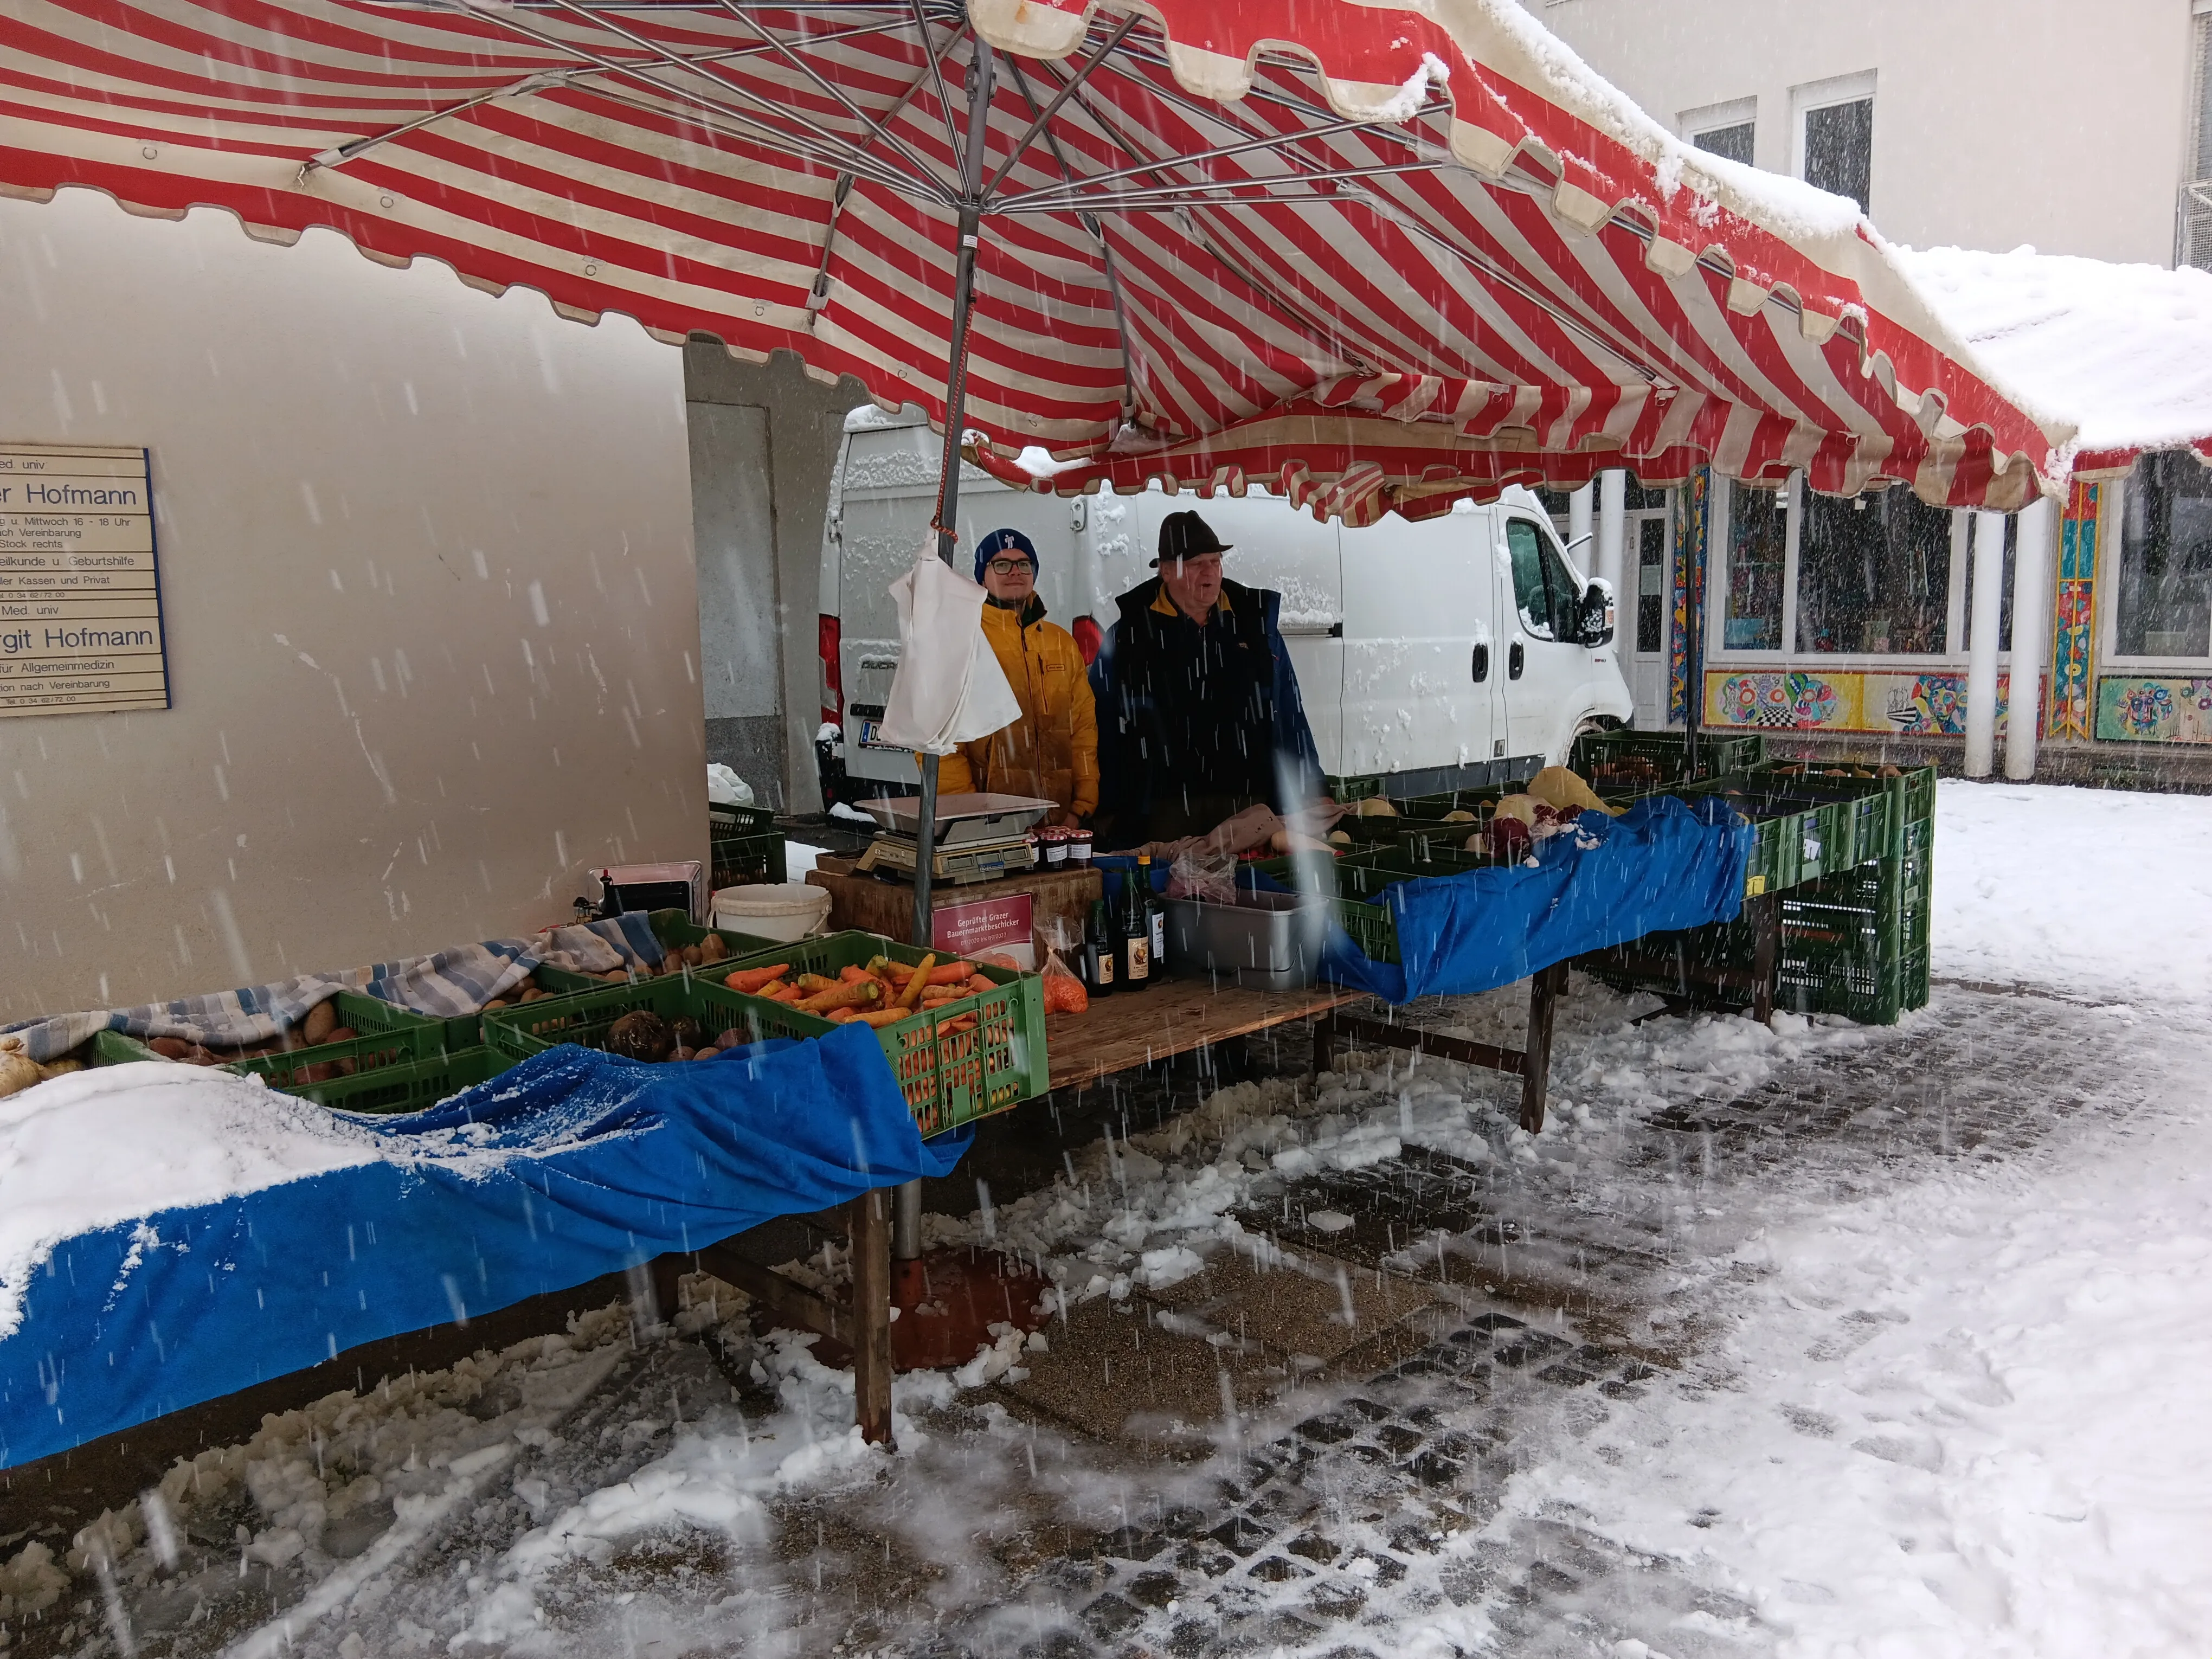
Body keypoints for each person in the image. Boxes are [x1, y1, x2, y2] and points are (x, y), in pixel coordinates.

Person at [1089, 509, 1323, 847]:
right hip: (1163, 810)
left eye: (1215, 561)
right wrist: (1105, 804)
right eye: (1196, 563)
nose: (1210, 572)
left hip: (1248, 801)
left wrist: (1312, 788)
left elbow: (1288, 712)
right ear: (1166, 571)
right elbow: (1102, 722)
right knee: (1177, 880)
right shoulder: (1129, 636)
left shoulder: (1254, 627)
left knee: (1250, 878)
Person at [935, 528, 1098, 828]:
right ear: (982, 577)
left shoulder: (1061, 643)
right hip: (988, 824)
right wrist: (969, 815)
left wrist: (1080, 807)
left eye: (1024, 564)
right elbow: (941, 744)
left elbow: (1083, 730)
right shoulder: (961, 640)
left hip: (1060, 824)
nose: (1015, 572)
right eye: (1001, 564)